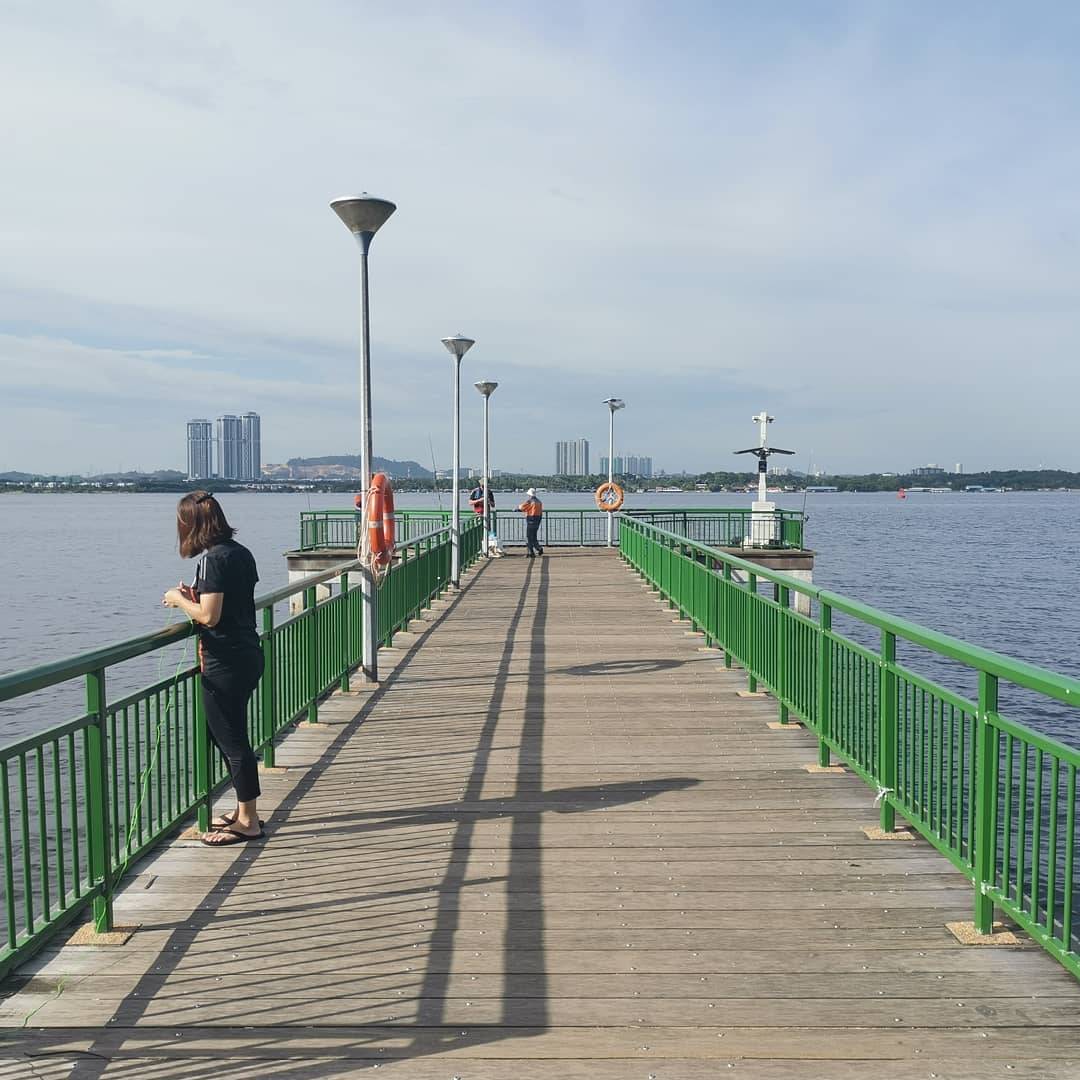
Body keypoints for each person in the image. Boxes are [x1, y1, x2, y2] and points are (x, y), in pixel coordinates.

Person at [163, 492, 265, 846]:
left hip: (225, 663)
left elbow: (210, 616)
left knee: (232, 739)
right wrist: (196, 595)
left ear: (192, 524)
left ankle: (249, 821)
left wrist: (179, 600)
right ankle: (243, 810)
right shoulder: (241, 553)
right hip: (249, 653)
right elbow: (229, 601)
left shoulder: (211, 561)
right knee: (232, 734)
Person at [517, 488, 544, 558]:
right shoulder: (539, 502)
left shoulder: (530, 501)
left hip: (531, 520)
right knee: (534, 537)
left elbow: (522, 507)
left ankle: (531, 552)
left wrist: (517, 509)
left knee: (529, 537)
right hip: (537, 521)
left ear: (529, 495)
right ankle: (539, 548)